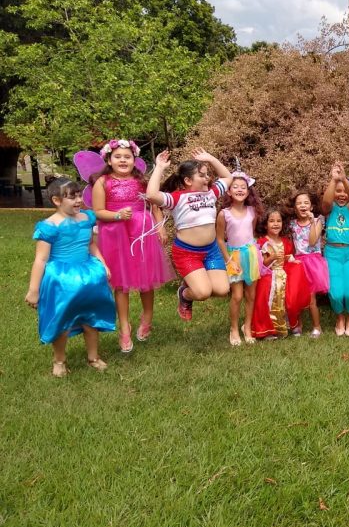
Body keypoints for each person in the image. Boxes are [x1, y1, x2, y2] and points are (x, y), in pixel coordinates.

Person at [25, 178, 116, 377]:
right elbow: (41, 259)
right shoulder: (49, 226)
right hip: (62, 279)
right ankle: (59, 360)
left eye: (79, 196)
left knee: (91, 318)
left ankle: (93, 357)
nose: (78, 201)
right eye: (71, 197)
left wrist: (102, 263)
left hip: (89, 276)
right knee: (62, 320)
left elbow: (91, 245)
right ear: (57, 200)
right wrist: (34, 290)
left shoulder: (87, 218)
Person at [90, 139, 173, 352]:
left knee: (146, 277)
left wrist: (160, 226)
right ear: (108, 159)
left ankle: (147, 318)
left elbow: (153, 203)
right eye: (118, 156)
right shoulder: (103, 182)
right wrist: (117, 215)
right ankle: (124, 328)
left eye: (127, 156)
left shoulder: (141, 181)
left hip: (142, 231)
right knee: (120, 282)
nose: (123, 160)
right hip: (115, 233)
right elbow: (98, 211)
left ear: (134, 160)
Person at [146, 148, 234, 321]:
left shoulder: (211, 194)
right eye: (202, 175)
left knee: (223, 290)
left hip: (211, 251)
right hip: (187, 253)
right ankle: (185, 294)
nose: (207, 178)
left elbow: (228, 178)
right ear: (188, 180)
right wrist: (159, 167)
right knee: (202, 293)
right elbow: (151, 195)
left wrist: (210, 158)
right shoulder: (177, 198)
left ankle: (195, 282)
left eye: (207, 174)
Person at [216, 170, 264, 345]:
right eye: (235, 187)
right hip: (234, 257)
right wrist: (228, 259)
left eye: (243, 187)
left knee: (251, 295)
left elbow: (251, 233)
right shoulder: (224, 214)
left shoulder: (252, 211)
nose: (239, 189)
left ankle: (247, 327)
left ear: (248, 191)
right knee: (237, 296)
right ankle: (234, 328)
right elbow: (220, 239)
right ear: (228, 191)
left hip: (251, 255)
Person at [251, 207, 310, 339]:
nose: (276, 224)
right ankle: (268, 328)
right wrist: (270, 258)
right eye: (272, 221)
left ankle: (291, 323)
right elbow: (260, 264)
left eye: (279, 221)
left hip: (283, 272)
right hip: (267, 274)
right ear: (265, 225)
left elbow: (288, 257)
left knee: (292, 290)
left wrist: (293, 261)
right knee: (267, 290)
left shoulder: (285, 242)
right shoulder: (262, 242)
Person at [321, 163, 349, 336]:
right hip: (333, 254)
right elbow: (326, 202)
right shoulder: (329, 210)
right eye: (338, 191)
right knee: (336, 293)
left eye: (345, 190)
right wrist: (334, 179)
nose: (342, 194)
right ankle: (340, 318)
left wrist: (344, 179)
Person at [288, 190, 328, 338]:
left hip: (312, 262)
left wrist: (312, 222)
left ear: (311, 207)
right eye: (299, 203)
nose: (303, 205)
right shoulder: (292, 224)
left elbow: (312, 241)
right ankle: (298, 325)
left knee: (311, 299)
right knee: (297, 296)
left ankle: (317, 327)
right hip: (298, 262)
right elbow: (293, 245)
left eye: (306, 203)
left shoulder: (318, 220)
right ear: (294, 207)